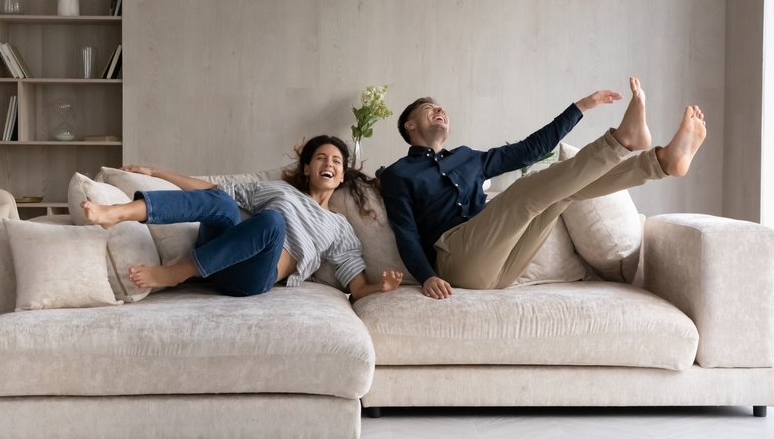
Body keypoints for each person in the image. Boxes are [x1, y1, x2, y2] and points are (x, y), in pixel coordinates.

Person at [380, 77, 706, 298]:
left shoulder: (467, 158)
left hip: (503, 271)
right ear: (410, 126)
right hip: (457, 262)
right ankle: (622, 142)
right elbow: (406, 234)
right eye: (429, 109)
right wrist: (426, 276)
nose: (440, 111)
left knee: (561, 194)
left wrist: (580, 107)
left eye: (442, 109)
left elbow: (528, 150)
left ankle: (660, 163)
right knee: (525, 194)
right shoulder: (399, 174)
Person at [82, 135, 404, 300]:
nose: (328, 163)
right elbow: (213, 189)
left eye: (335, 160)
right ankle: (120, 212)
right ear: (307, 168)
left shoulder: (339, 227)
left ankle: (177, 273)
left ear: (341, 175)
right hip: (222, 253)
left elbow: (358, 288)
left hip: (253, 277)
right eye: (320, 157)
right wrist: (155, 172)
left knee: (272, 222)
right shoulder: (279, 190)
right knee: (222, 201)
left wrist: (382, 287)